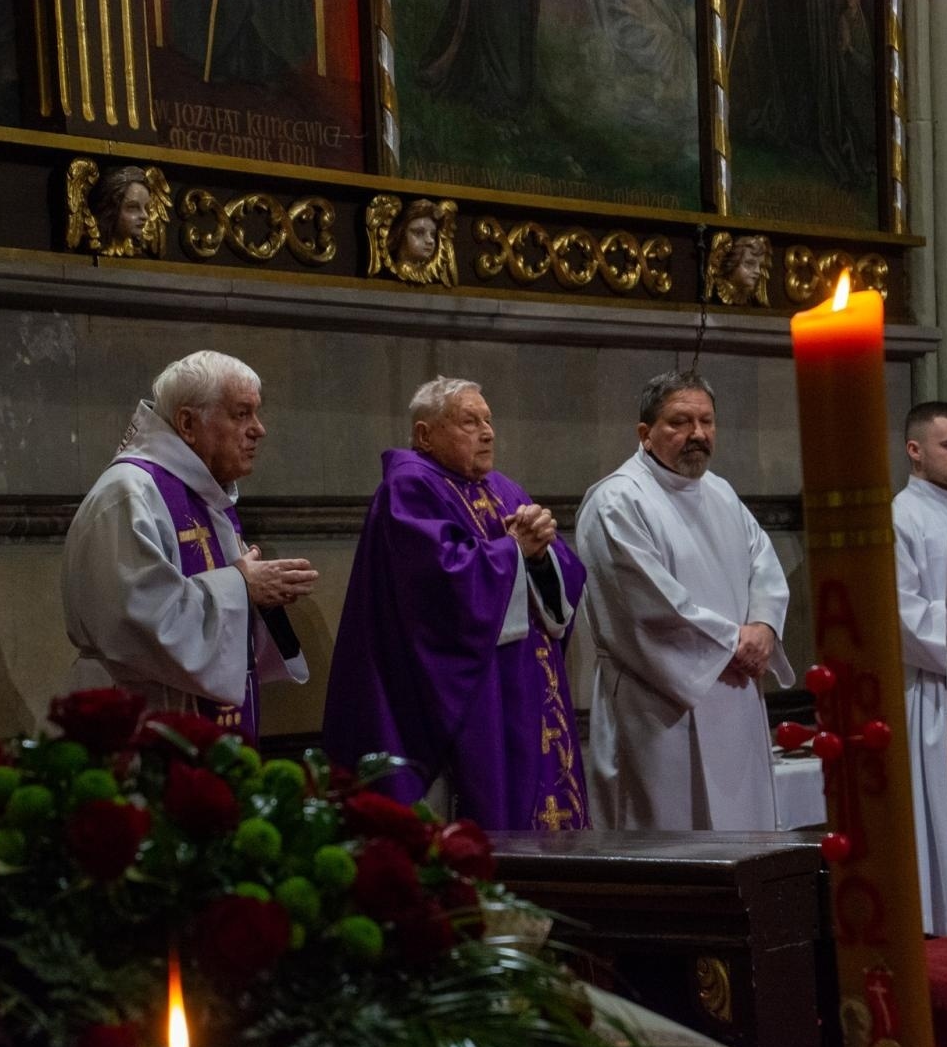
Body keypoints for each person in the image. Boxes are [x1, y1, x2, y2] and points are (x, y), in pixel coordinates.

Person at [322, 377, 590, 831]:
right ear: (425, 435)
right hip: (468, 697)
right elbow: (438, 585)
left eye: (488, 420)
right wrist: (514, 551)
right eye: (469, 421)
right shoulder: (409, 488)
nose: (487, 432)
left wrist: (542, 553)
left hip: (524, 687)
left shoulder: (504, 488)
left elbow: (559, 572)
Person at [576, 371, 794, 830]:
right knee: (672, 842)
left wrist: (764, 627)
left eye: (707, 421)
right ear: (645, 433)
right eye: (680, 422)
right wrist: (735, 643)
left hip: (735, 694)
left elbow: (764, 566)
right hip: (658, 705)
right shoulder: (618, 501)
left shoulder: (721, 492)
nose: (697, 434)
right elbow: (648, 605)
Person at [62, 350, 317, 741]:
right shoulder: (130, 494)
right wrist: (241, 586)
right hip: (140, 723)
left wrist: (256, 596)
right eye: (241, 414)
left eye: (256, 413)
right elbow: (139, 619)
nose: (259, 429)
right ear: (187, 423)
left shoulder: (203, 493)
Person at [893, 400, 947, 937]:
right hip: (930, 688)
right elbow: (902, 612)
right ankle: (944, 920)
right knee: (942, 812)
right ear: (915, 451)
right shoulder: (901, 515)